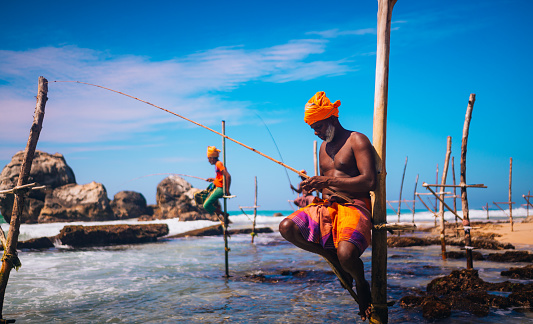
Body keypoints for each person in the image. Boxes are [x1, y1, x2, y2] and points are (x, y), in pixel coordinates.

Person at [278, 91, 376, 321]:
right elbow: (326, 184)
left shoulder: (356, 140)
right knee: (286, 227)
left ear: (333, 118)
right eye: (312, 127)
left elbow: (370, 181)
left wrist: (326, 181)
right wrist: (313, 185)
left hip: (354, 205)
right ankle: (331, 258)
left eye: (318, 126)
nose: (316, 132)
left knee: (346, 254)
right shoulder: (323, 148)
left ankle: (362, 285)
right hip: (327, 206)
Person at [201, 146, 231, 218]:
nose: (208, 161)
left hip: (220, 188)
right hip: (217, 185)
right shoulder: (217, 164)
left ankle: (223, 213)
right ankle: (216, 207)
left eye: (208, 158)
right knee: (205, 193)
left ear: (212, 158)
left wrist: (227, 190)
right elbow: (221, 178)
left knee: (206, 205)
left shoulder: (218, 164)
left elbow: (228, 176)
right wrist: (213, 179)